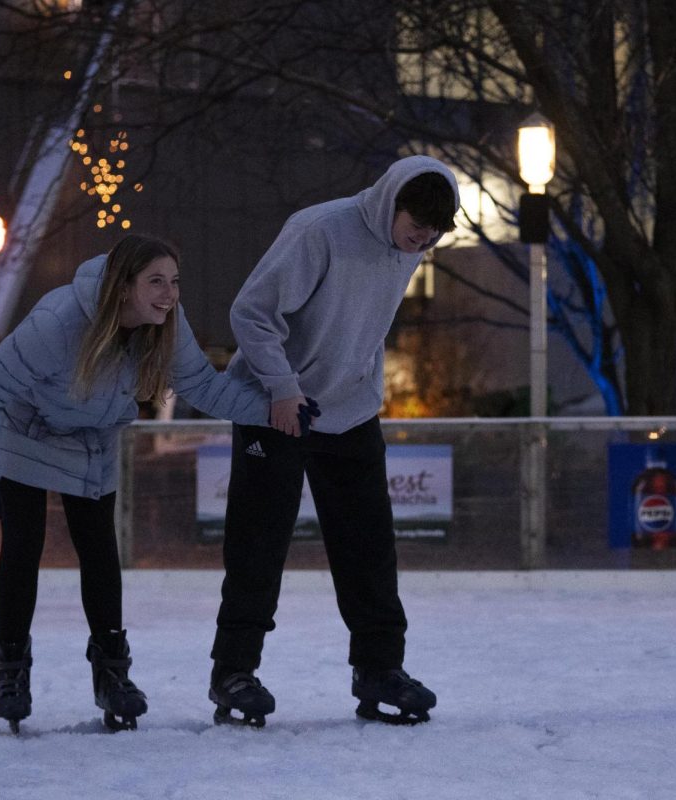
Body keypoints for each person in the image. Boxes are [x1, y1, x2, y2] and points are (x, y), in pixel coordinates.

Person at [0, 233, 317, 733]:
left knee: (100, 550)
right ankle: (11, 673)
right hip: (29, 435)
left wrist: (275, 411)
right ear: (123, 286)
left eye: (174, 281)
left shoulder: (166, 325)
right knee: (23, 546)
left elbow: (204, 386)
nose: (169, 293)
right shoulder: (59, 322)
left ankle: (112, 675)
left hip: (92, 442)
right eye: (155, 282)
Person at [208, 155, 459, 727]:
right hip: (274, 406)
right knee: (259, 542)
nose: (421, 243)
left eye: (432, 236)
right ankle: (233, 672)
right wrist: (282, 388)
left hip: (347, 411)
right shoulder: (319, 230)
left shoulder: (407, 249)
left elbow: (363, 325)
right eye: (415, 229)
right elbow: (250, 313)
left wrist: (365, 386)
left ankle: (378, 668)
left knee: (369, 546)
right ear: (389, 202)